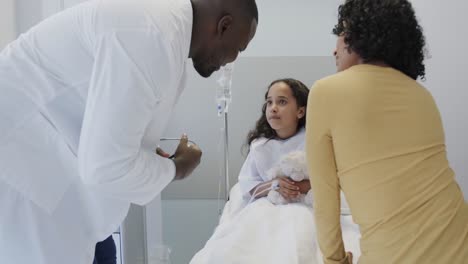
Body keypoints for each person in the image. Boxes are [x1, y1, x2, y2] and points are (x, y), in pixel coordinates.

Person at [0, 0, 258, 263]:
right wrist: (177, 168)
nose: (231, 60)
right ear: (223, 25)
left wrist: (142, 154)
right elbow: (106, 167)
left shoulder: (162, 33)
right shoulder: (151, 35)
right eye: (238, 49)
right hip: (23, 159)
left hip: (49, 159)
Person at [306, 0, 468, 263]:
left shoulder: (326, 91)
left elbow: (325, 199)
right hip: (461, 241)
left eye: (340, 35)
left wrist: (336, 260)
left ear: (355, 36)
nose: (334, 50)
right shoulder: (422, 95)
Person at [190, 78, 361, 264]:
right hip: (269, 205)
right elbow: (248, 185)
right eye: (269, 102)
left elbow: (336, 177)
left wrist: (305, 186)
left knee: (300, 232)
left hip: (309, 205)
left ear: (300, 111)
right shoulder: (261, 146)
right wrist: (274, 185)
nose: (273, 108)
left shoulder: (315, 140)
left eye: (282, 102)